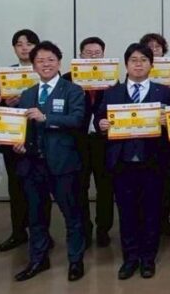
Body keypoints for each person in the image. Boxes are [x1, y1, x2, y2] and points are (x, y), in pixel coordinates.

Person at [97, 43, 170, 280]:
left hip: (153, 161)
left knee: (152, 211)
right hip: (122, 162)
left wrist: (168, 123)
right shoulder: (112, 92)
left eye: (143, 60)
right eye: (134, 60)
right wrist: (101, 125)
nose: (138, 64)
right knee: (127, 212)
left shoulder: (164, 92)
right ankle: (130, 258)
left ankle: (148, 259)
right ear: (126, 64)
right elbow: (99, 120)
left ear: (151, 65)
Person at [12, 41, 87, 282]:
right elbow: (20, 127)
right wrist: (18, 142)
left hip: (63, 163)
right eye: (40, 61)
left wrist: (46, 118)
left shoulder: (73, 90)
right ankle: (38, 259)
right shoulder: (28, 94)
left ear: (59, 62)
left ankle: (75, 260)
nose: (46, 64)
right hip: (32, 164)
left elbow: (77, 120)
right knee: (36, 216)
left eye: (50, 60)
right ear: (34, 66)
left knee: (72, 215)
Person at [0, 29, 40, 254]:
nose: (24, 47)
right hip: (12, 138)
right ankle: (18, 232)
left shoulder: (46, 71)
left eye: (29, 43)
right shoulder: (4, 74)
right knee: (16, 188)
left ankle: (41, 233)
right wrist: (3, 103)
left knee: (39, 189)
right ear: (14, 48)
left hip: (38, 138)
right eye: (19, 44)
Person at [62, 37, 114, 248]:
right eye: (88, 53)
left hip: (103, 143)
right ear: (80, 55)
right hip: (77, 142)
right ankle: (84, 229)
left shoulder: (112, 78)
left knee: (105, 188)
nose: (93, 56)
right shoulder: (68, 79)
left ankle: (103, 229)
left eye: (97, 53)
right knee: (79, 188)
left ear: (103, 55)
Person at [138, 32, 170, 237]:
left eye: (157, 46)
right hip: (139, 137)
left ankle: (163, 218)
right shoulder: (137, 71)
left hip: (163, 138)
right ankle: (144, 220)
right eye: (149, 46)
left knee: (165, 180)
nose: (154, 49)